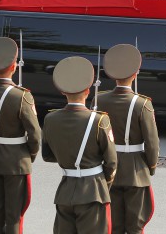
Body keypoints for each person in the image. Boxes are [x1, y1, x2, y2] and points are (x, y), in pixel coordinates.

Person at [42, 56, 117, 234]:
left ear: (62, 91)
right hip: (93, 192)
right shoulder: (99, 120)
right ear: (88, 91)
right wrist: (101, 184)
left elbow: (47, 155)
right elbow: (111, 162)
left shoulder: (50, 119)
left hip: (65, 191)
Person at [0, 37, 42, 234]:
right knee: (14, 216)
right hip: (16, 161)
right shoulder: (21, 96)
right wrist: (29, 155)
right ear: (14, 66)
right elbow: (35, 134)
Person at [98, 45, 160, 234]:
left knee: (114, 225)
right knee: (135, 225)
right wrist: (151, 166)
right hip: (135, 171)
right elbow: (152, 142)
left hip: (108, 168)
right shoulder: (142, 104)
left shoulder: (98, 100)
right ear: (136, 73)